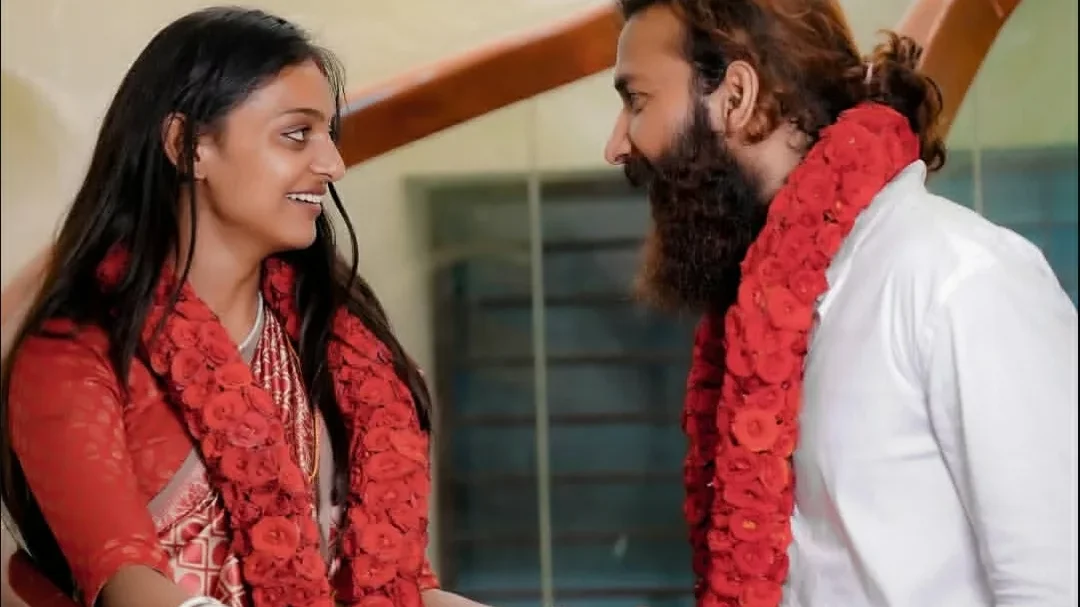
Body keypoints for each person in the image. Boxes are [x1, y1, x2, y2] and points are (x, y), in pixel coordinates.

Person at [0, 7, 489, 607]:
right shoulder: (74, 357)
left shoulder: (339, 346)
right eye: (297, 134)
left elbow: (399, 592)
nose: (333, 165)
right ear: (187, 146)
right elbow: (129, 588)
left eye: (330, 135)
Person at [603, 1, 1079, 606]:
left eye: (636, 100)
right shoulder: (761, 311)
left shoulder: (956, 278)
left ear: (737, 96)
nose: (616, 144)